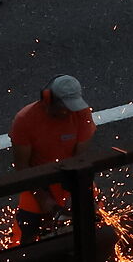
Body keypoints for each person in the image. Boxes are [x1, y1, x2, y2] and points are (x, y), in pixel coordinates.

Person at [9, 74, 94, 244]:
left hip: (72, 174)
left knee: (93, 222)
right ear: (47, 98)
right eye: (64, 107)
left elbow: (80, 158)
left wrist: (76, 195)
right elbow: (22, 166)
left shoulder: (81, 114)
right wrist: (43, 199)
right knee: (26, 234)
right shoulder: (25, 120)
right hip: (36, 179)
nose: (68, 112)